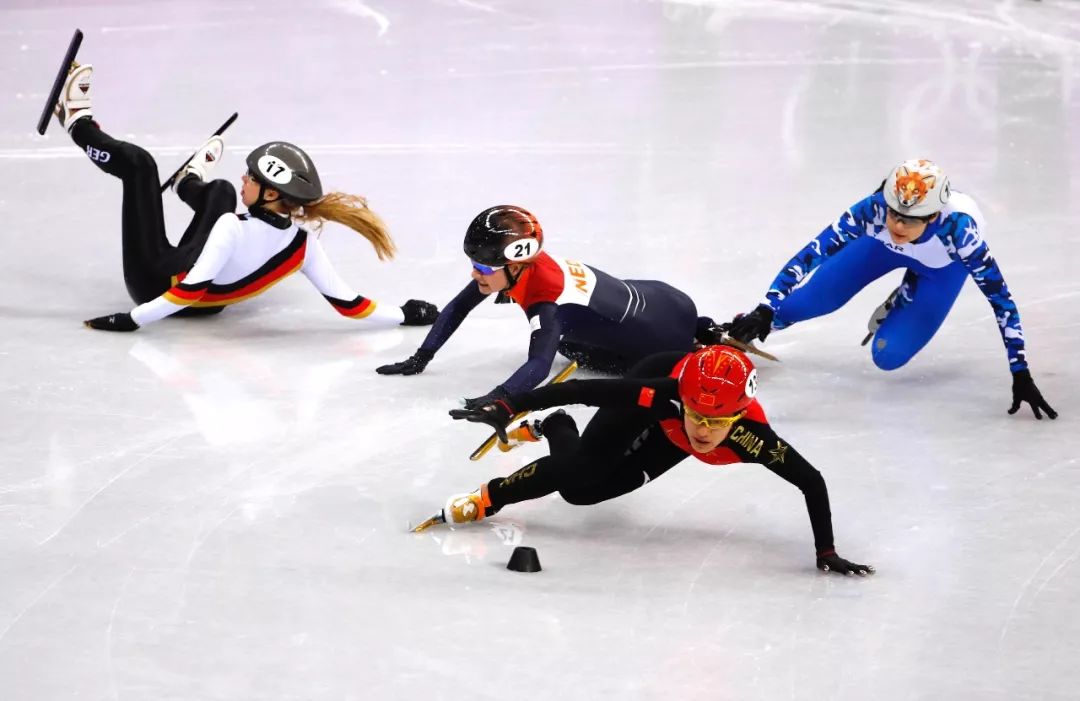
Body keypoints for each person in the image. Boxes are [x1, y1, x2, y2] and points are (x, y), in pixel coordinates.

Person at [418, 345, 873, 576]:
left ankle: (555, 429)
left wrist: (827, 552)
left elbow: (810, 481)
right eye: (697, 415)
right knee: (579, 471)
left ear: (738, 417)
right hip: (653, 402)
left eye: (718, 423)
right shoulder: (664, 397)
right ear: (685, 402)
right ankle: (491, 496)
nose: (704, 431)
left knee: (582, 494)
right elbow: (582, 390)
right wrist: (508, 405)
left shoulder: (754, 439)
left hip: (668, 439)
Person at [56, 62, 439, 332]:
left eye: (251, 177)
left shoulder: (230, 227)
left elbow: (188, 290)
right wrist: (405, 314)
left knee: (139, 165)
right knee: (221, 190)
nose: (245, 177)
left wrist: (132, 319)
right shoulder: (302, 244)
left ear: (271, 192)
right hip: (210, 303)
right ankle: (188, 181)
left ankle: (75, 119)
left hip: (157, 284)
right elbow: (348, 303)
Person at [722, 159, 1056, 420]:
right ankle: (746, 327)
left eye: (910, 220)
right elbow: (810, 255)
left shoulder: (961, 235)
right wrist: (766, 309)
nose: (897, 225)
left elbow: (1002, 301)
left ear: (934, 216)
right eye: (895, 214)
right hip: (877, 248)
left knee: (887, 356)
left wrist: (1020, 371)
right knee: (810, 301)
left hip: (939, 269)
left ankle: (907, 290)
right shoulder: (873, 210)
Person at [376, 205, 717, 408]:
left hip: (659, 343)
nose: (474, 273)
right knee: (568, 339)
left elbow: (538, 366)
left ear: (515, 265)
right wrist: (421, 358)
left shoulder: (547, 302)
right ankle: (701, 326)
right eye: (474, 264)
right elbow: (458, 306)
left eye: (482, 268)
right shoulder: (519, 268)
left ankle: (697, 339)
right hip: (667, 298)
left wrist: (500, 397)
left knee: (565, 345)